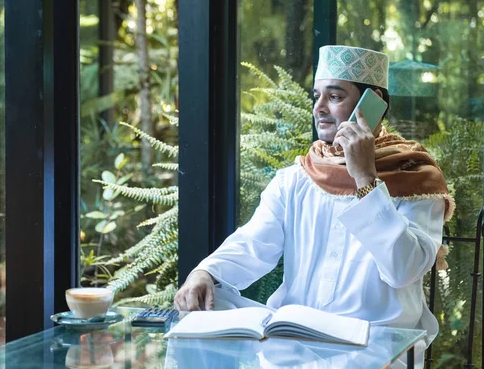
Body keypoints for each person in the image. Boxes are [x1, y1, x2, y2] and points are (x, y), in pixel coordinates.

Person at [173, 45, 455, 368]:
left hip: (373, 350)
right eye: (316, 96)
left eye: (334, 97)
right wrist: (204, 271)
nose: (319, 108)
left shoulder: (415, 177)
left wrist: (365, 178)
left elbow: (402, 269)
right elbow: (253, 244)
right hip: (294, 345)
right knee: (208, 302)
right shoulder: (296, 179)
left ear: (372, 104)